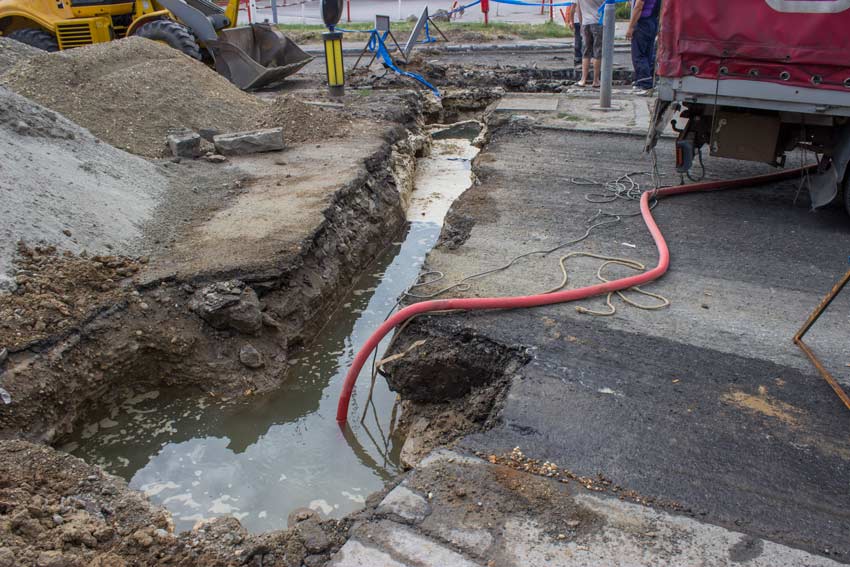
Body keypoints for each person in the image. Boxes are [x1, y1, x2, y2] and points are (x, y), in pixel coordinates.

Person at [626, 0, 661, 92]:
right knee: (648, 53)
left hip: (643, 22)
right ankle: (646, 80)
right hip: (652, 21)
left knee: (638, 54)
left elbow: (638, 6)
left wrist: (630, 27)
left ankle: (644, 82)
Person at [576, 0, 605, 88]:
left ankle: (583, 79)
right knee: (597, 51)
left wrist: (581, 24)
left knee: (586, 52)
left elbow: (578, 9)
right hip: (598, 22)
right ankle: (596, 80)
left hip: (586, 23)